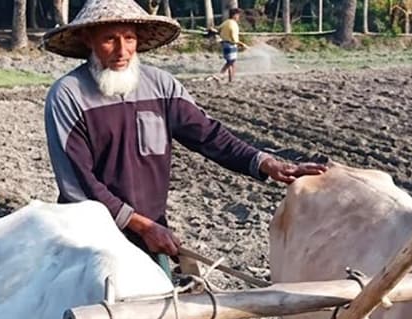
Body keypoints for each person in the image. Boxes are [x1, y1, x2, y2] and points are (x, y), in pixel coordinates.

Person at [41, 0, 326, 265]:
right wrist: (141, 225)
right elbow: (79, 185)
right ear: (87, 39)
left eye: (129, 38)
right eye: (109, 39)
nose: (122, 50)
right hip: (90, 239)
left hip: (151, 233)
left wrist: (266, 162)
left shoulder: (161, 86)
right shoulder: (68, 96)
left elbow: (209, 135)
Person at [215, 8, 246, 83]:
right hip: (231, 45)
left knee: (232, 62)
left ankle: (231, 79)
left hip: (225, 44)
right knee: (231, 62)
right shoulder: (233, 24)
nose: (239, 17)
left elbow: (218, 29)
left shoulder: (226, 22)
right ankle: (220, 74)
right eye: (238, 15)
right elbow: (234, 39)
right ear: (234, 15)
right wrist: (242, 44)